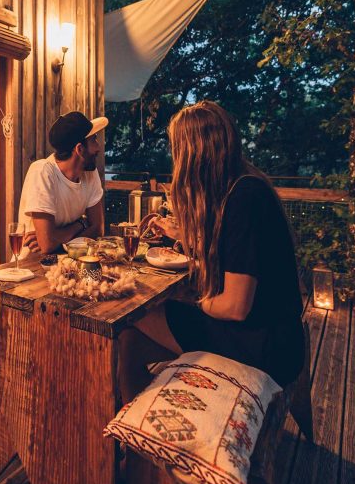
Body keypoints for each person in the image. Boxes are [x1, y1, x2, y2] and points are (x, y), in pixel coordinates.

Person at [119, 101, 305, 398]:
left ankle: (171, 426)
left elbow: (234, 306)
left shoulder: (245, 198)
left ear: (193, 151)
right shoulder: (242, 187)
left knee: (135, 311)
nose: (175, 157)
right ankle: (146, 429)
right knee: (128, 343)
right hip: (268, 335)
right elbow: (228, 252)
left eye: (177, 148)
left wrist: (192, 300)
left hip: (263, 345)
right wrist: (179, 233)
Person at [19, 111, 107, 254]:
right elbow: (47, 245)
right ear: (79, 149)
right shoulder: (43, 171)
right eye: (94, 140)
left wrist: (60, 235)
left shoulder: (90, 173)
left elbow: (98, 229)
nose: (98, 147)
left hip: (69, 262)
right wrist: (81, 224)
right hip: (33, 266)